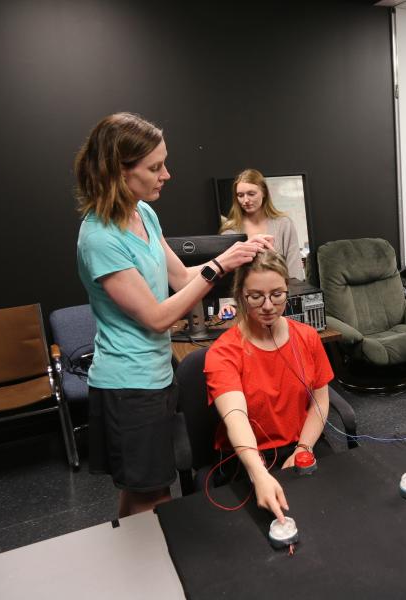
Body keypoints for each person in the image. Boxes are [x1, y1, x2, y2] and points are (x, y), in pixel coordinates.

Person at [75, 113, 273, 517]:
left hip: (157, 374)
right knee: (156, 497)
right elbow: (157, 318)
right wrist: (221, 264)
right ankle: (145, 570)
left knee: (143, 489)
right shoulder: (99, 237)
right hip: (127, 385)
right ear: (119, 171)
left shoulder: (143, 213)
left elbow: (182, 277)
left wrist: (232, 259)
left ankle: (133, 564)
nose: (166, 174)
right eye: (154, 167)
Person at [204, 251, 333, 521]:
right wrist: (258, 472)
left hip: (301, 444)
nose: (268, 305)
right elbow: (235, 416)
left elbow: (320, 401)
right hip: (249, 456)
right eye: (255, 296)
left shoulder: (308, 338)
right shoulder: (223, 352)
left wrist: (304, 448)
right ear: (240, 295)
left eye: (277, 294)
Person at [220, 168, 306, 280]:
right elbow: (228, 277)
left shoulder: (284, 224)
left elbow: (295, 271)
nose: (245, 200)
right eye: (240, 195)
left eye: (251, 194)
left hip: (281, 293)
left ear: (264, 192)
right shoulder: (229, 232)